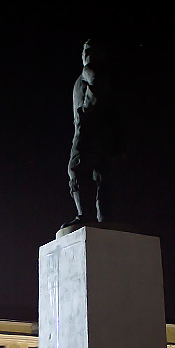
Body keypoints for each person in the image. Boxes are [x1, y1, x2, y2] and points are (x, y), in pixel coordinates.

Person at [62, 39, 118, 229]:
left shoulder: (89, 71)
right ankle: (104, 217)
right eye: (84, 51)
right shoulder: (106, 74)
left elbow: (96, 84)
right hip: (100, 130)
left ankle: (84, 215)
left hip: (87, 128)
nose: (85, 55)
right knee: (101, 174)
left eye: (88, 51)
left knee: (76, 168)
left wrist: (86, 110)